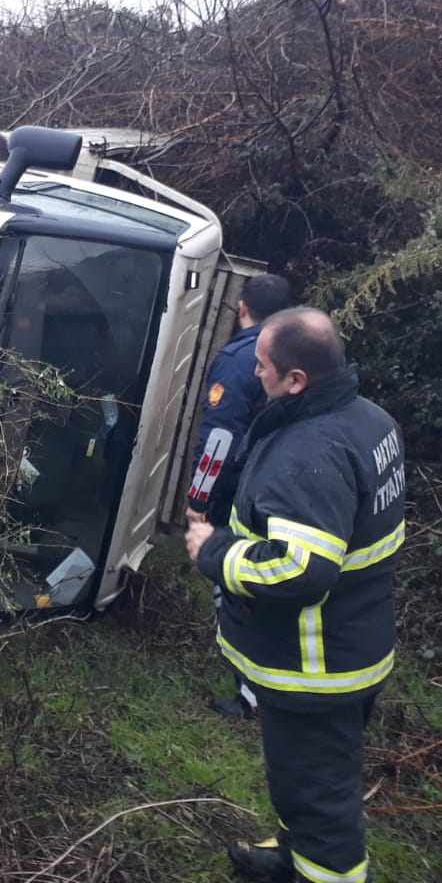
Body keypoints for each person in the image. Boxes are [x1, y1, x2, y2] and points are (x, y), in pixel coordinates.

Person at [183, 308, 405, 883]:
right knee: (300, 779)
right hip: (357, 640)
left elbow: (301, 569)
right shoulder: (371, 421)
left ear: (298, 379)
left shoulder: (308, 453)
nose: (255, 372)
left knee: (317, 792)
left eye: (264, 366)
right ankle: (294, 854)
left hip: (316, 667)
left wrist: (212, 552)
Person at [185, 272, 292, 719]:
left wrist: (197, 499)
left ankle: (252, 694)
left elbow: (219, 440)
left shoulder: (240, 360)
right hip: (279, 486)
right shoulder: (294, 354)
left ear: (242, 308)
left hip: (238, 492)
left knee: (233, 580)